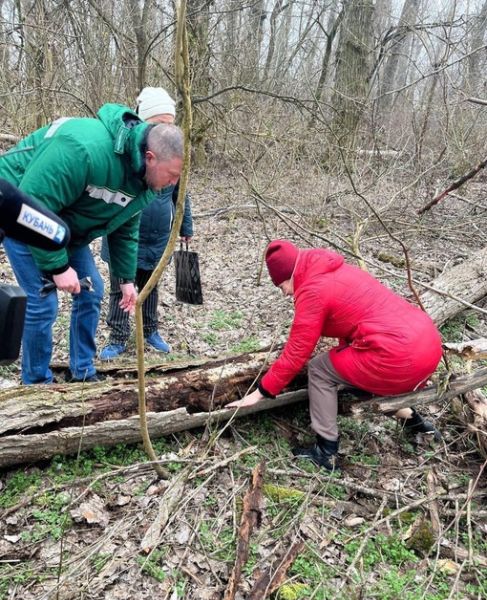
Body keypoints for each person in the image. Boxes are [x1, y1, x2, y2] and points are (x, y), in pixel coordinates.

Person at [0, 103, 183, 384]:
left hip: (66, 225)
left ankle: (82, 371)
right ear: (150, 157)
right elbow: (33, 203)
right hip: (18, 212)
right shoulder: (83, 148)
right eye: (171, 176)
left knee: (92, 290)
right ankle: (35, 384)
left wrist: (125, 278)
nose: (173, 184)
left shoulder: (143, 181)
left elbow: (125, 225)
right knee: (42, 301)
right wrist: (58, 267)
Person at [226, 240, 443, 470]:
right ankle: (417, 424)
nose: (285, 294)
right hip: (427, 346)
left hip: (399, 357)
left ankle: (326, 450)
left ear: (290, 275)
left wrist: (261, 392)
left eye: (282, 286)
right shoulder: (335, 269)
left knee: (319, 369)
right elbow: (354, 323)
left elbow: (297, 353)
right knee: (352, 373)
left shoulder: (312, 290)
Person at [99, 87, 193, 360]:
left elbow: (182, 193)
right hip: (126, 235)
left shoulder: (173, 154)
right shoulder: (132, 154)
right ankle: (118, 335)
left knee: (150, 285)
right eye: (159, 123)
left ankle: (150, 330)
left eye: (169, 123)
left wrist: (185, 227)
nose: (166, 130)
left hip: (159, 237)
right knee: (121, 286)